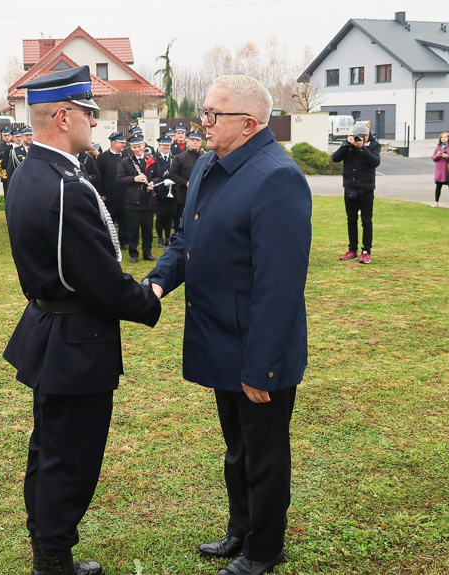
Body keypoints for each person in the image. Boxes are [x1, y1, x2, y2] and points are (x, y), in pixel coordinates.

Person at [146, 74, 310, 575]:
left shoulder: (276, 177)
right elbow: (186, 240)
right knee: (237, 446)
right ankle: (242, 528)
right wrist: (155, 283)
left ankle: (264, 549)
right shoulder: (211, 165)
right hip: (218, 336)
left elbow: (279, 286)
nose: (204, 122)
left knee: (264, 453)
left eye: (214, 114)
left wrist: (261, 367)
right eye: (205, 112)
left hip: (256, 348)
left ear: (249, 123)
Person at [2, 65, 160, 575]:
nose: (95, 123)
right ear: (65, 116)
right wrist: (148, 297)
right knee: (71, 456)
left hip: (52, 331)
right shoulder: (66, 185)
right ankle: (52, 558)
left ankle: (47, 547)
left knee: (49, 448)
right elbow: (99, 279)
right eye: (90, 114)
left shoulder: (32, 170)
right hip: (75, 338)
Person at [332, 121, 380, 264]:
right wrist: (347, 145)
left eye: (360, 136)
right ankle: (352, 249)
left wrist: (362, 148)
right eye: (354, 135)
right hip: (350, 188)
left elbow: (375, 162)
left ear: (366, 136)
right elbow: (335, 158)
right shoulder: (347, 145)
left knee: (366, 221)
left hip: (366, 188)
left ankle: (366, 251)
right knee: (351, 220)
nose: (357, 138)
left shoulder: (373, 145)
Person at [117, 134, 157, 263]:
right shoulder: (125, 162)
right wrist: (134, 179)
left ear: (144, 146)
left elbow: (158, 176)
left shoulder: (151, 161)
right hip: (132, 201)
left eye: (139, 146)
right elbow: (119, 179)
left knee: (148, 229)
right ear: (131, 148)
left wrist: (153, 183)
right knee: (133, 229)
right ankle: (133, 254)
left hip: (148, 200)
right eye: (134, 147)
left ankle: (147, 252)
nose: (137, 149)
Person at [169, 131, 205, 232]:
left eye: (197, 140)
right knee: (185, 220)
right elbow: (172, 173)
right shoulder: (180, 157)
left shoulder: (206, 157)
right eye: (192, 140)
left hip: (201, 194)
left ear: (201, 143)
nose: (194, 142)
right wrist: (185, 183)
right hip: (184, 195)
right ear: (187, 142)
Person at [95, 132, 127, 239]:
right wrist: (102, 193)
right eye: (121, 142)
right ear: (114, 143)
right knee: (109, 221)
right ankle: (109, 240)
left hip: (125, 195)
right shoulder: (103, 157)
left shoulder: (127, 156)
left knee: (124, 220)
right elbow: (98, 176)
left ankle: (124, 241)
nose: (124, 145)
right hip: (109, 196)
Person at [151, 134, 176, 247]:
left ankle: (167, 237)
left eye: (168, 145)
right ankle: (160, 238)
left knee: (169, 216)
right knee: (160, 217)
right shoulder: (154, 159)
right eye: (163, 145)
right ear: (159, 146)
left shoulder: (174, 158)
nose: (166, 147)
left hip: (171, 192)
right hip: (159, 191)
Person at [430, 132, 449, 208]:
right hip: (440, 170)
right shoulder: (438, 147)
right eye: (442, 137)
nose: (443, 138)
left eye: (445, 137)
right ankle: (436, 202)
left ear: (448, 138)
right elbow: (433, 158)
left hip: (448, 169)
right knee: (438, 186)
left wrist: (447, 156)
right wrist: (437, 155)